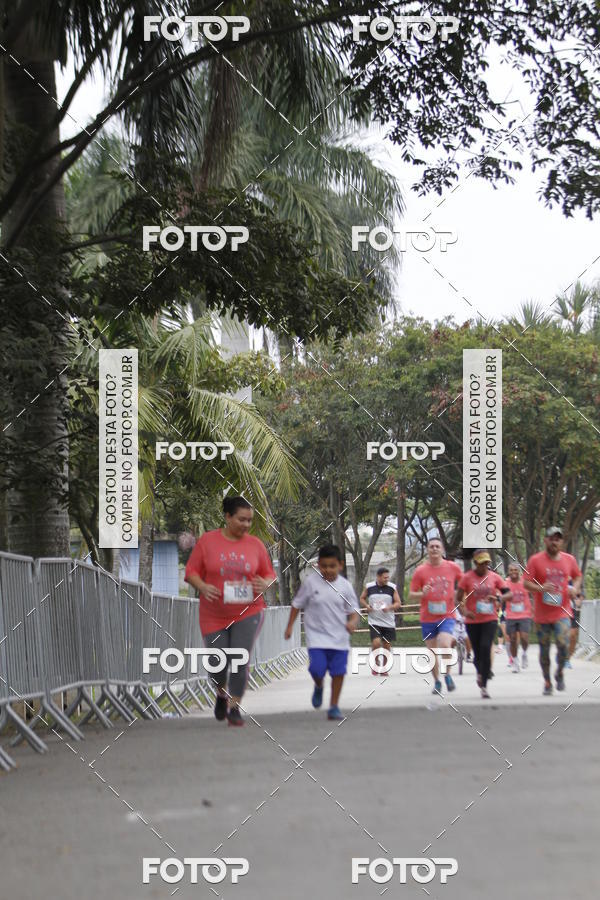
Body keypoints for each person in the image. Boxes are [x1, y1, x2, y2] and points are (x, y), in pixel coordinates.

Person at [184, 495, 276, 727]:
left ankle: (234, 707)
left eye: (249, 521)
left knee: (238, 658)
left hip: (249, 611)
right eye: (241, 519)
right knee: (217, 662)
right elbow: (191, 571)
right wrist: (203, 586)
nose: (246, 525)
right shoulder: (207, 541)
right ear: (227, 516)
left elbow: (270, 574)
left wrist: (265, 584)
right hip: (213, 614)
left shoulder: (255, 544)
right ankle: (221, 694)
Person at [284, 544, 360, 720]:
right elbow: (297, 604)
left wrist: (353, 623)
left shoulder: (345, 586)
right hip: (316, 637)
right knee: (317, 670)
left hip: (339, 638)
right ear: (318, 565)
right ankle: (319, 686)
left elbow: (354, 611)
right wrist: (289, 626)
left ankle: (334, 706)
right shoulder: (311, 583)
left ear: (340, 565)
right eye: (324, 566)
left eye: (332, 566)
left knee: (338, 672)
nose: (328, 570)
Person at [523, 526, 582, 695]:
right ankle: (547, 681)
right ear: (545, 540)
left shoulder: (569, 560)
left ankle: (560, 672)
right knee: (544, 650)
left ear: (561, 542)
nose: (554, 541)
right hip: (542, 615)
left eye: (558, 539)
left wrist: (575, 588)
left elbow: (578, 576)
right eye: (552, 538)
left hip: (562, 611)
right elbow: (526, 583)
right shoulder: (535, 560)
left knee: (563, 644)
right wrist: (540, 588)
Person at [409, 537, 462, 695]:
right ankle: (437, 682)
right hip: (428, 617)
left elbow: (464, 583)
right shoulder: (421, 571)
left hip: (447, 614)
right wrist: (422, 593)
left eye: (437, 546)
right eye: (431, 546)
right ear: (427, 549)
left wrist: (458, 595)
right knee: (431, 652)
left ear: (442, 550)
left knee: (445, 644)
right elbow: (411, 594)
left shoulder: (452, 567)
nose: (434, 549)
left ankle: (447, 676)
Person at [456, 550, 508, 699]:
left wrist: (498, 598)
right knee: (477, 653)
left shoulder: (494, 577)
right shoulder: (467, 578)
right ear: (475, 563)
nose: (484, 566)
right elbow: (457, 599)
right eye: (481, 563)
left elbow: (508, 593)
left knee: (486, 647)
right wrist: (464, 611)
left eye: (487, 563)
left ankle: (484, 686)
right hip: (472, 621)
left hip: (490, 619)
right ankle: (480, 672)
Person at [359, 567, 402, 675]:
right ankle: (376, 662)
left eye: (388, 577)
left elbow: (398, 603)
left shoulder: (392, 587)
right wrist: (367, 606)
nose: (387, 579)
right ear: (378, 577)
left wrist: (390, 607)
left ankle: (384, 667)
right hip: (374, 621)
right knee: (376, 642)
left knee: (387, 645)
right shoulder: (369, 587)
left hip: (388, 622)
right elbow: (362, 598)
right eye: (384, 577)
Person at [504, 563, 533, 672]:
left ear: (519, 571)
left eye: (515, 570)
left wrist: (533, 609)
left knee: (524, 637)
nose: (513, 572)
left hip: (524, 613)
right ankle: (515, 662)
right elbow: (500, 595)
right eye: (511, 570)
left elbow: (533, 594)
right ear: (508, 572)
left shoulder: (525, 583)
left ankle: (524, 654)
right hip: (511, 614)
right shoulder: (505, 584)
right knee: (512, 639)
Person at [567, 588, 585, 667]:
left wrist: (579, 600)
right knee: (562, 635)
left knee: (573, 635)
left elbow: (582, 593)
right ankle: (561, 654)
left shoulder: (577, 577)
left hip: (572, 611)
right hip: (560, 609)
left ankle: (567, 658)